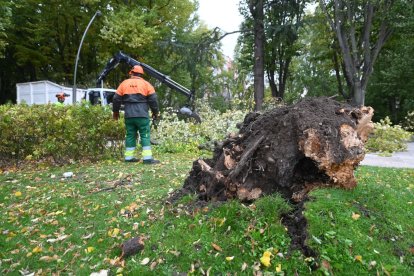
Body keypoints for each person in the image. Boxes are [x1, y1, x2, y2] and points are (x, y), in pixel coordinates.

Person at [112, 65, 160, 164]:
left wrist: (115, 112)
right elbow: (153, 100)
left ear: (131, 73)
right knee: (145, 135)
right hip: (142, 115)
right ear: (142, 74)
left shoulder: (124, 84)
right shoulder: (146, 84)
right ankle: (147, 159)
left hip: (129, 115)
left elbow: (116, 99)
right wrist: (155, 113)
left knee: (130, 135)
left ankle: (128, 158)